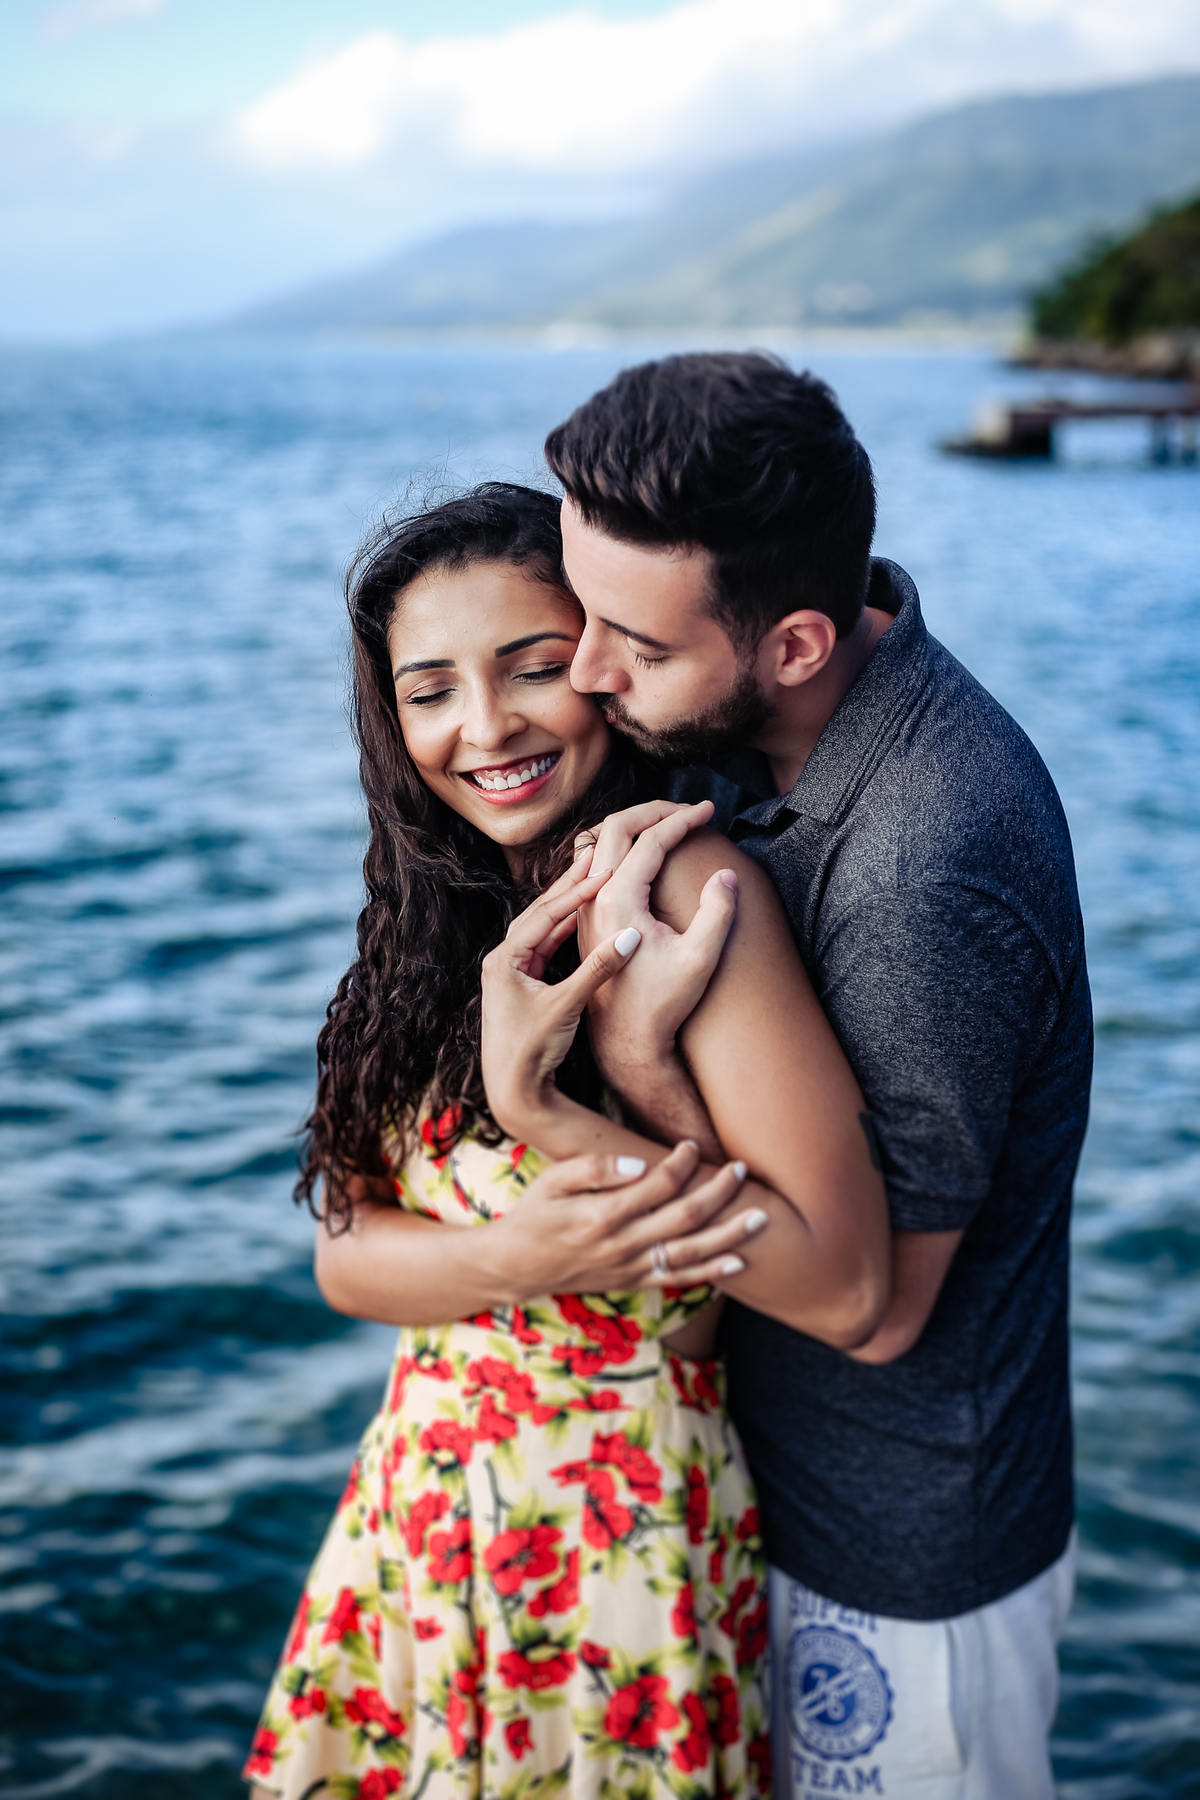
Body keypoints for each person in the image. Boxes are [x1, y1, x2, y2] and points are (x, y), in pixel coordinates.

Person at [244, 483, 891, 1800]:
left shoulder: (687, 898)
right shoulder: (431, 915)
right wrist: (516, 1255)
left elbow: (840, 1287)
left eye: (533, 668)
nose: (484, 729)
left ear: (607, 665)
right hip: (423, 1522)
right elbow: (348, 1256)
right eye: (429, 690)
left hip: (613, 1548)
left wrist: (560, 1112)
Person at [535, 351, 1093, 1799]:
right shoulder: (785, 707)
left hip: (904, 1570)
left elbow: (878, 1307)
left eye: (634, 648)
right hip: (768, 1505)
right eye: (580, 610)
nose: (588, 673)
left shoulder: (928, 860)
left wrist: (637, 1070)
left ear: (791, 643)